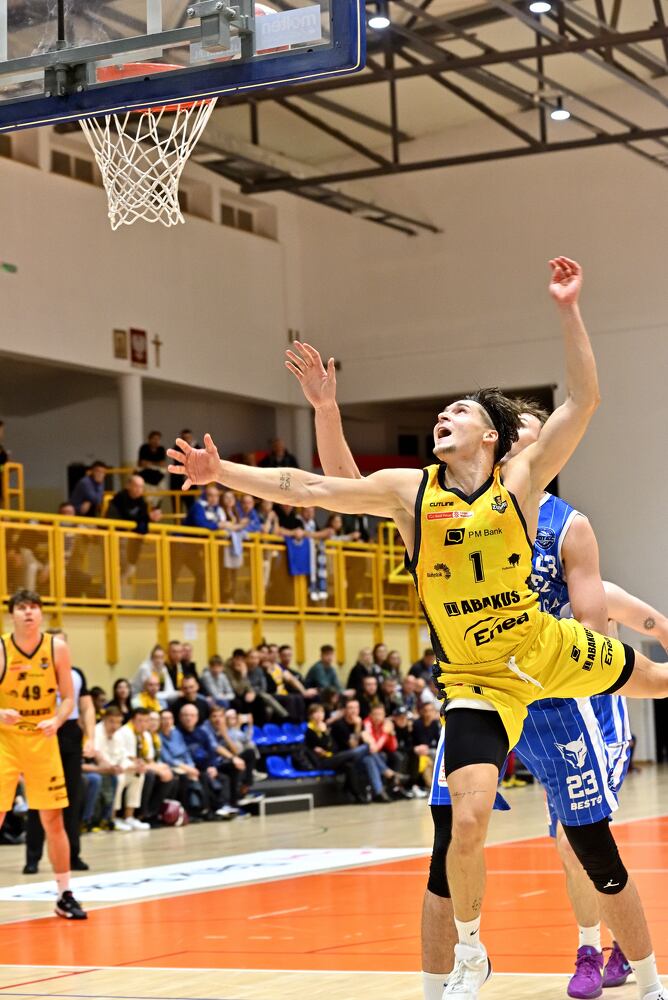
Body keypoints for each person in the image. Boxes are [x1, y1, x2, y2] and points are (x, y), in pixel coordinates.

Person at [284, 333, 668, 1000]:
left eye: (532, 433)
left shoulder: (565, 523)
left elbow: (597, 611)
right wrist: (325, 412)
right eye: (518, 430)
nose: (525, 440)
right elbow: (347, 488)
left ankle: (605, 954)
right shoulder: (438, 503)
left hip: (556, 687)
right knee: (451, 842)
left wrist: (616, 648)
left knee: (581, 841)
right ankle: (452, 975)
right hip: (478, 686)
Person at [0, 590, 86, 918]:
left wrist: (57, 719)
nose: (29, 612)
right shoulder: (1, 648)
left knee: (53, 820)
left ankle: (64, 895)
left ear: (41, 614)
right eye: (22, 607)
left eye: (34, 607)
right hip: (5, 742)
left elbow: (68, 698)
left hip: (42, 740)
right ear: (12, 614)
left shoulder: (56, 648)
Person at [24, 628, 95, 875]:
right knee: (38, 799)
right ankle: (32, 858)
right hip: (41, 733)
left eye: (61, 644)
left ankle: (73, 855)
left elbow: (87, 707)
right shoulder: (33, 671)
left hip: (70, 735)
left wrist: (91, 738)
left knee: (72, 798)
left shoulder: (76, 674)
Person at [106, 474, 161, 585]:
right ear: (128, 486)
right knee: (116, 567)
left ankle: (118, 585)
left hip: (132, 542)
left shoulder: (142, 502)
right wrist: (145, 518)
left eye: (141, 487)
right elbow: (122, 520)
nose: (139, 489)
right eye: (136, 486)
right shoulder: (119, 499)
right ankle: (108, 587)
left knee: (129, 568)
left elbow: (142, 526)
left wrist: (151, 519)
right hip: (115, 539)